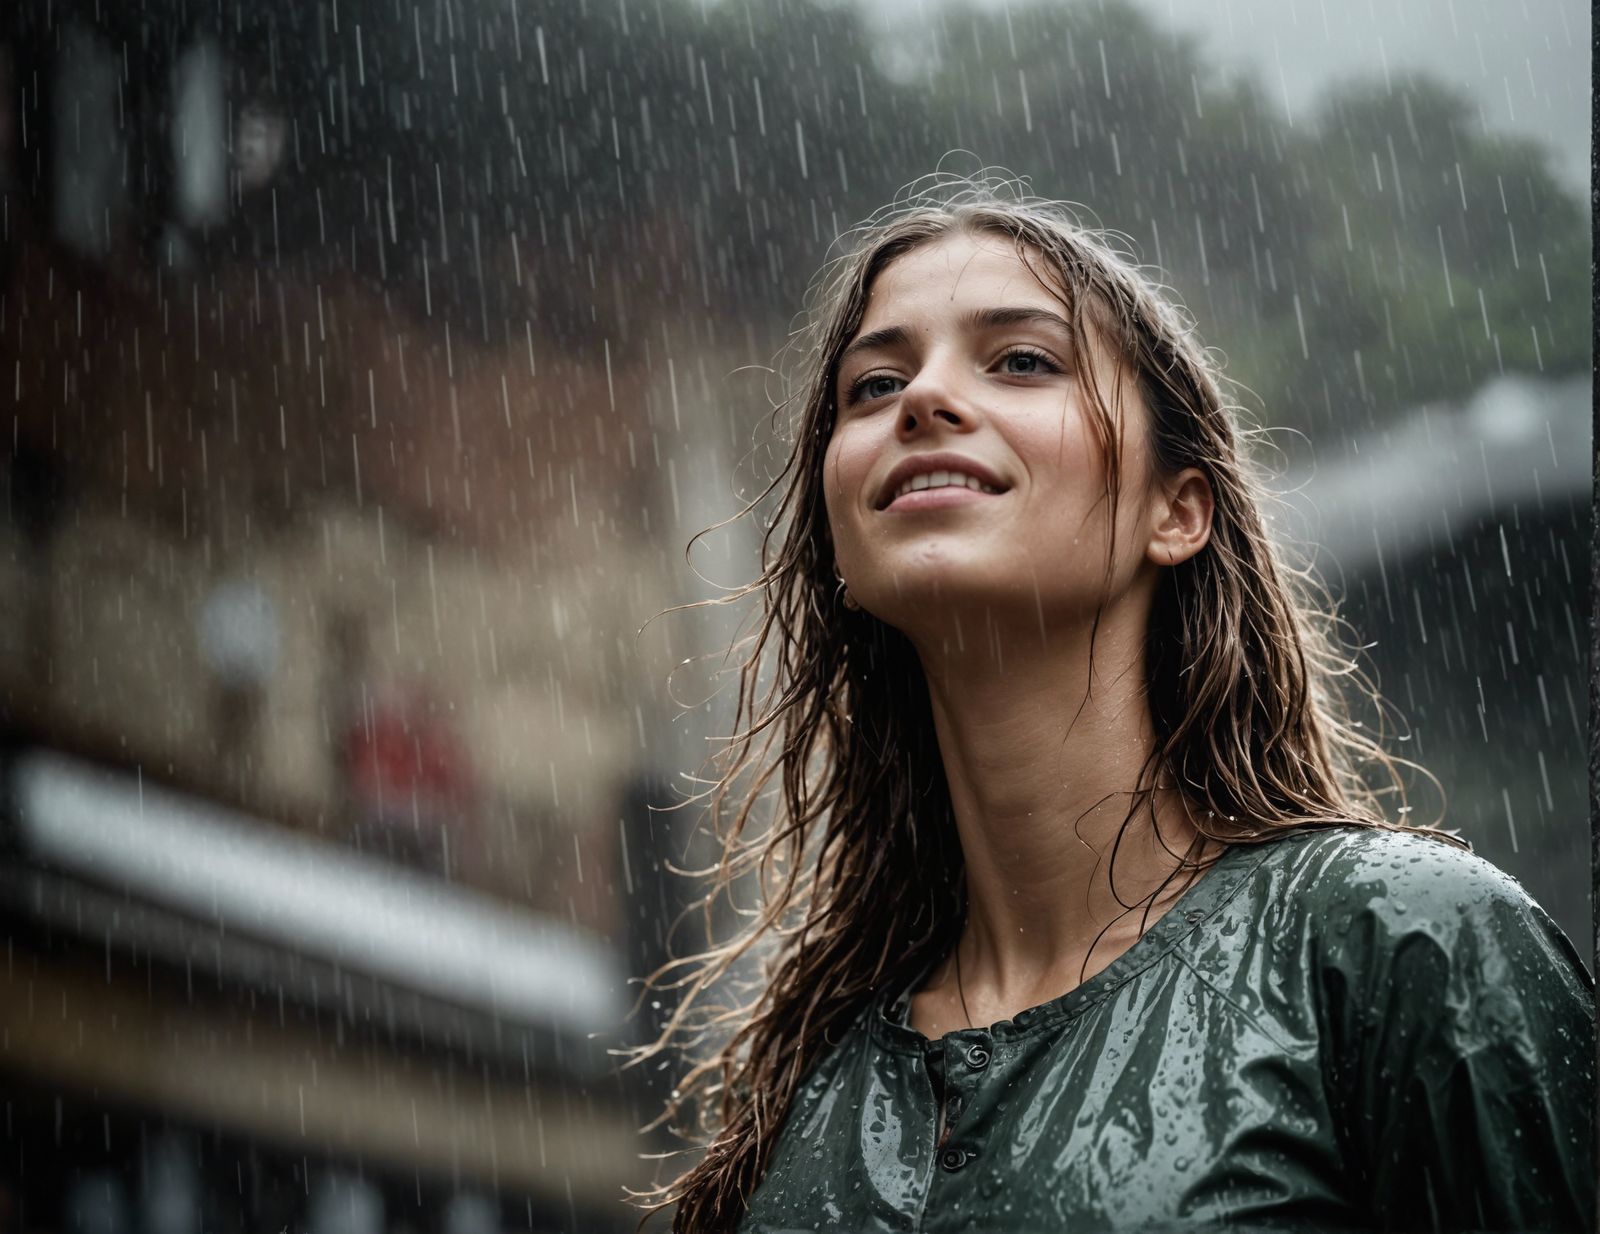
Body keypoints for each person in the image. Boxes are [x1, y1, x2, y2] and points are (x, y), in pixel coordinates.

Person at [633, 178, 1595, 1233]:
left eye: (1022, 361)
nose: (921, 400)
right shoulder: (804, 1093)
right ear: (839, 550)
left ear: (1174, 511)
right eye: (872, 385)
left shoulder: (1395, 949)